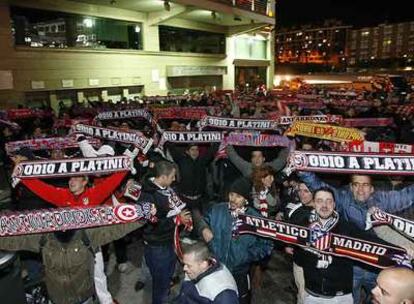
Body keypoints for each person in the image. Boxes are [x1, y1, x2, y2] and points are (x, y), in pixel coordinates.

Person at [298, 172, 414, 303]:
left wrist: (400, 247)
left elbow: (407, 195)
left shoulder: (383, 199)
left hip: (378, 266)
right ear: (351, 187)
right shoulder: (343, 198)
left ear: (372, 188)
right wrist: (303, 170)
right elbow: (319, 186)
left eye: (365, 185)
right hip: (353, 268)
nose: (360, 189)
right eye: (356, 185)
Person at [0, 220, 148, 304]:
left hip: (84, 297)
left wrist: (141, 218)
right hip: (58, 299)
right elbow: (16, 241)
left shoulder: (88, 236)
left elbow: (116, 229)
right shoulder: (43, 239)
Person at [197, 178, 273, 304]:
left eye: (238, 196)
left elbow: (267, 245)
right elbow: (202, 221)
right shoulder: (217, 209)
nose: (232, 199)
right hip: (216, 269)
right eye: (231, 194)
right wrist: (203, 229)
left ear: (246, 199)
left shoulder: (255, 218)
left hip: (239, 273)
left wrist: (247, 255)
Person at [138, 160, 192, 304]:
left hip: (169, 240)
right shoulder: (147, 196)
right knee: (160, 283)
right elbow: (151, 225)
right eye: (172, 176)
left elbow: (174, 208)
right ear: (162, 177)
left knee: (167, 276)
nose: (174, 179)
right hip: (157, 246)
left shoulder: (166, 189)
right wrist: (176, 220)